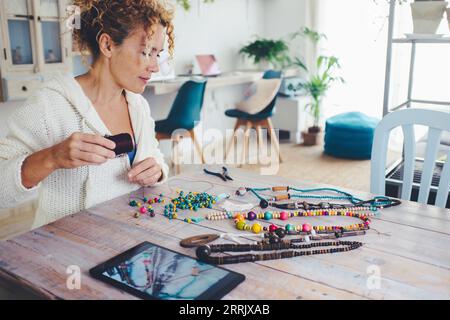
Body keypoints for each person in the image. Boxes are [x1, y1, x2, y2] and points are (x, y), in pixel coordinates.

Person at [0, 0, 175, 229]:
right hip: (64, 251)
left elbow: (156, 158)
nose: (155, 66)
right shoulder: (50, 104)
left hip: (127, 241)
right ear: (108, 45)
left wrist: (158, 171)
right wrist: (52, 157)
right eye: (146, 52)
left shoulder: (138, 106)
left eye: (157, 54)